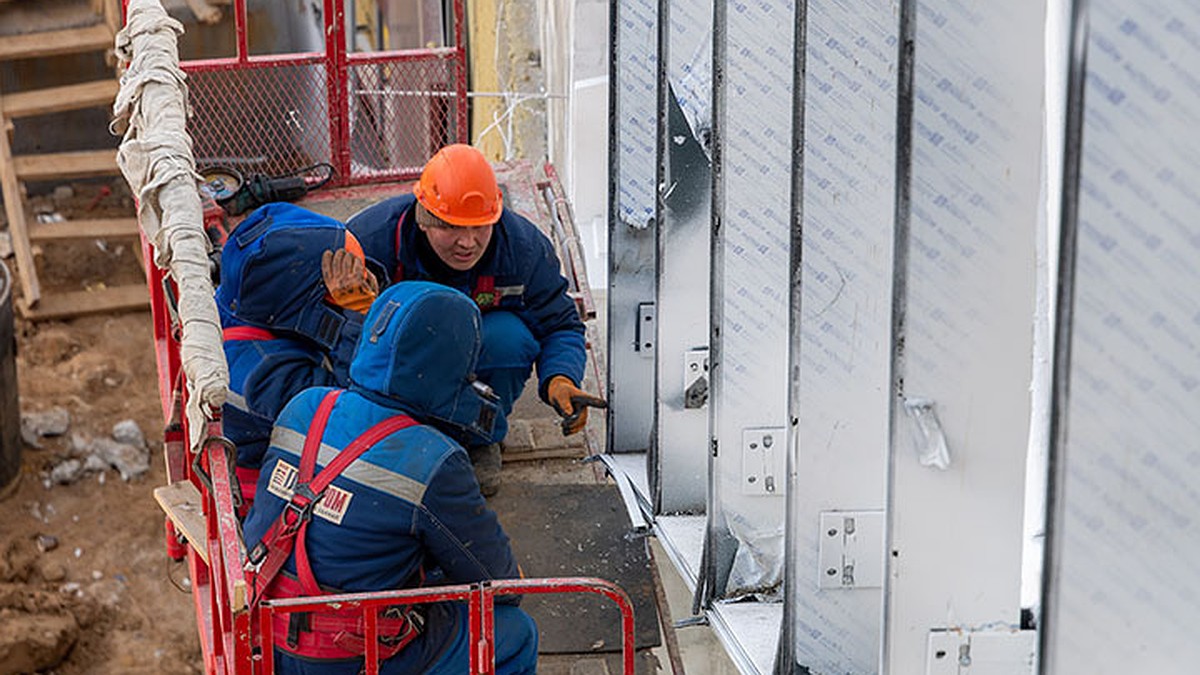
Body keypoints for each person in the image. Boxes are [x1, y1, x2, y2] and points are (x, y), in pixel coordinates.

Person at [242, 281, 536, 674]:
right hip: (347, 657)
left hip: (265, 636)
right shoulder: (432, 458)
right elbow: (499, 585)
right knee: (514, 633)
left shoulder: (306, 405)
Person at [344, 143, 606, 495]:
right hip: (403, 362)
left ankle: (479, 438)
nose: (467, 242)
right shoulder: (371, 242)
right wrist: (352, 312)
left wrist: (560, 377)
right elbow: (325, 333)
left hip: (479, 351)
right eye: (451, 227)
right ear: (425, 219)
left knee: (511, 338)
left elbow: (560, 325)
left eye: (480, 226)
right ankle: (394, 431)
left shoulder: (524, 249)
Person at [215, 203, 379, 509]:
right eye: (332, 294)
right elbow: (353, 416)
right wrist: (358, 319)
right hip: (279, 500)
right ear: (297, 299)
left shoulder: (248, 304)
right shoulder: (261, 373)